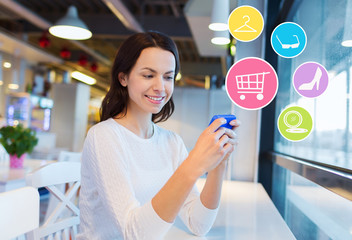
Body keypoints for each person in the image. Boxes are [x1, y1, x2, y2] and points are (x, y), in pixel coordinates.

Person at [77, 31, 240, 240]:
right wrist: (194, 164)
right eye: (148, 75)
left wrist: (219, 163)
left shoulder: (171, 142)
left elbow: (198, 224)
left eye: (168, 77)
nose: (160, 87)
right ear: (123, 77)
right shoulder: (104, 136)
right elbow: (133, 233)